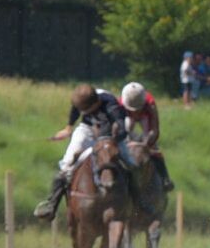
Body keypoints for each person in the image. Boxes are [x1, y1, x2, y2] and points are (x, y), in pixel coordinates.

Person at [33, 84, 129, 220]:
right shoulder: (82, 100)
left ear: (97, 103)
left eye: (87, 110)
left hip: (110, 136)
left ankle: (137, 201)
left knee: (130, 162)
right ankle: (51, 205)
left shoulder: (111, 104)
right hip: (87, 129)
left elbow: (122, 129)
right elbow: (76, 110)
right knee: (67, 163)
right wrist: (68, 128)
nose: (84, 112)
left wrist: (108, 141)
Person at [120, 82, 175, 193]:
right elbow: (119, 128)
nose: (135, 112)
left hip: (145, 117)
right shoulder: (120, 104)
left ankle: (165, 178)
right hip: (127, 118)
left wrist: (146, 144)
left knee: (153, 147)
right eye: (132, 109)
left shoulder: (150, 105)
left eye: (137, 109)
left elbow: (155, 130)